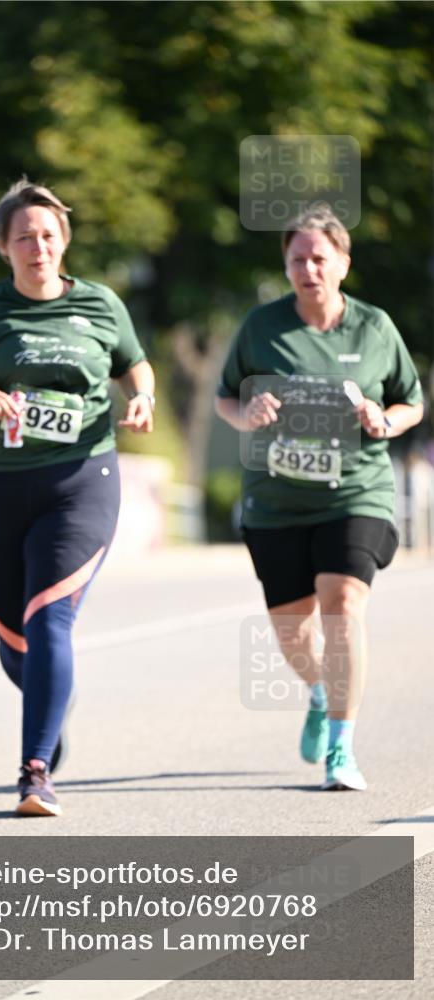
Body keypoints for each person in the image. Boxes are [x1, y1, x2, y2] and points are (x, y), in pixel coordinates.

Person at [0, 178, 155, 816]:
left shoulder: (102, 305)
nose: (39, 246)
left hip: (81, 479)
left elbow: (135, 362)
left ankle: (34, 772)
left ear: (64, 242)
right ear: (4, 247)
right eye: (24, 236)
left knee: (49, 617)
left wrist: (143, 395)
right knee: (14, 642)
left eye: (49, 234)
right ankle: (52, 705)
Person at [215, 203, 423, 791]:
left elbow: (412, 400)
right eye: (296, 258)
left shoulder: (375, 328)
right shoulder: (261, 327)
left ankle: (342, 748)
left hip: (355, 490)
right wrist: (247, 414)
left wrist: (385, 419)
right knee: (293, 632)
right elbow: (226, 399)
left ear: (343, 264)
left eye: (319, 258)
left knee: (342, 604)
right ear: (285, 265)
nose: (307, 268)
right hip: (276, 502)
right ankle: (317, 691)